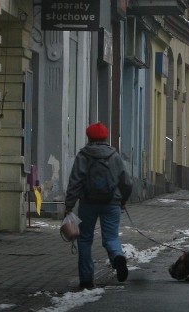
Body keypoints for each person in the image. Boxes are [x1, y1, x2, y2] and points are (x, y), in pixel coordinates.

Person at [65, 122, 133, 290]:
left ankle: (86, 279)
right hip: (111, 203)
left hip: (88, 203)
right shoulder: (114, 156)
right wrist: (122, 200)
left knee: (85, 239)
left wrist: (69, 205)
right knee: (111, 237)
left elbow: (75, 182)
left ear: (89, 137)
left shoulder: (83, 156)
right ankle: (118, 257)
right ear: (105, 137)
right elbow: (127, 182)